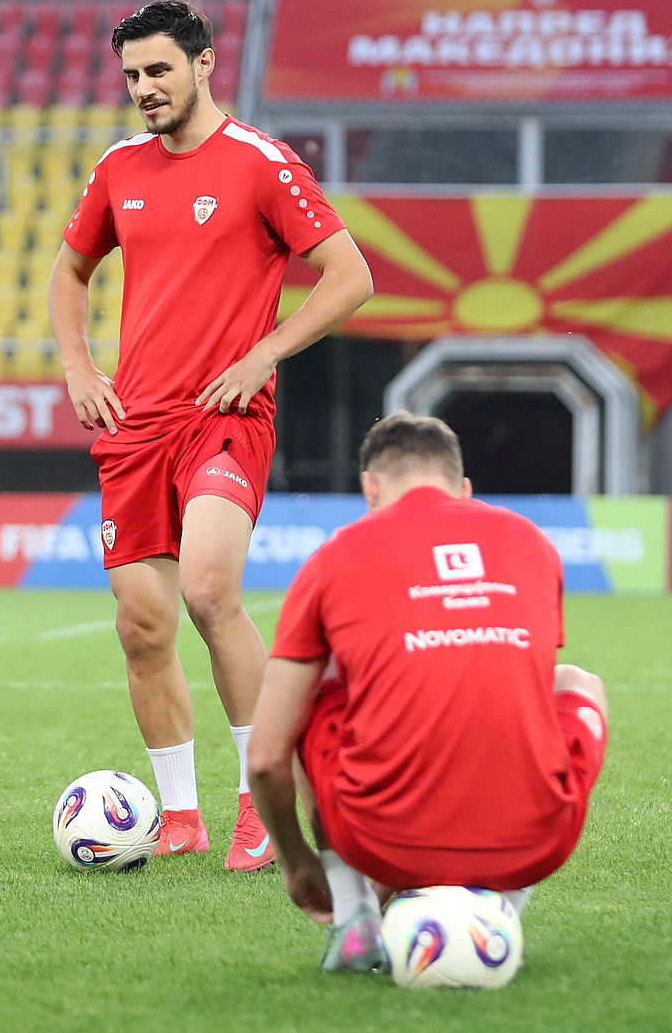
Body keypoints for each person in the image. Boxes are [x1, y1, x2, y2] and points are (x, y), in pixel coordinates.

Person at [49, 0, 374, 871]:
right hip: (135, 425)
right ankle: (181, 817)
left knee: (206, 590)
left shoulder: (263, 164)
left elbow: (350, 276)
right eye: (131, 76)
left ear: (203, 65)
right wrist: (80, 368)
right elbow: (69, 271)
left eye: (159, 70)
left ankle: (262, 803)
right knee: (141, 624)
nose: (144, 88)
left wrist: (264, 354)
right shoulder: (119, 167)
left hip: (224, 419)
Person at [246, 413, 607, 972]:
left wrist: (296, 863)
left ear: (370, 488)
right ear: (463, 489)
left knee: (308, 691)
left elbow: (265, 756)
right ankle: (499, 916)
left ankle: (354, 914)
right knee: (577, 683)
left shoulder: (335, 556)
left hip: (379, 841)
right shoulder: (532, 543)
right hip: (536, 843)